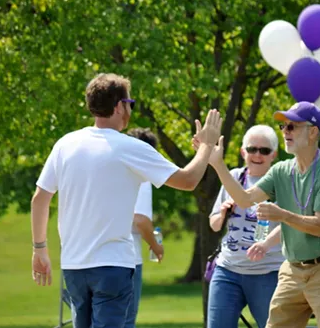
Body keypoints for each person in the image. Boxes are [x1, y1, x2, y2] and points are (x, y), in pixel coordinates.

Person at [30, 73, 222, 328]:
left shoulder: (65, 144)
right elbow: (188, 181)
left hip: (73, 266)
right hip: (112, 266)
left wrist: (39, 249)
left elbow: (39, 200)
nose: (130, 109)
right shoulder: (130, 147)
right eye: (129, 103)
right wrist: (207, 146)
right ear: (119, 106)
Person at [196, 101, 320, 328]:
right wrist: (218, 164)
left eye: (292, 126)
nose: (285, 132)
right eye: (284, 127)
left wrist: (283, 215)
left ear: (313, 131)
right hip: (292, 270)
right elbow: (245, 199)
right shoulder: (281, 170)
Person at [205, 125, 285, 328]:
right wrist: (222, 212)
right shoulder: (232, 177)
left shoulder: (282, 182)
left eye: (264, 151)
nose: (257, 155)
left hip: (267, 272)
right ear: (243, 152)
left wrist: (266, 244)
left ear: (274, 155)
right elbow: (214, 225)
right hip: (228, 270)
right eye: (252, 149)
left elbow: (291, 223)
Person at [124, 127, 165, 328]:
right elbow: (140, 220)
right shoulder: (142, 177)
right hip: (128, 259)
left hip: (90, 258)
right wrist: (156, 246)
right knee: (125, 321)